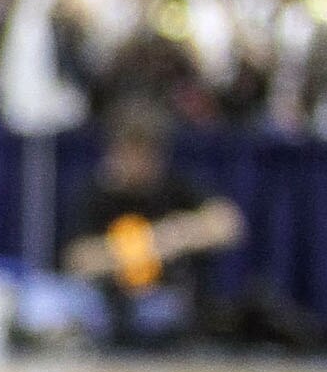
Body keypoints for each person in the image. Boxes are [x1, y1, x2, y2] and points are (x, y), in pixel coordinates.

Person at [61, 104, 243, 345]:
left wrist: (180, 235)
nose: (140, 164)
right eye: (132, 153)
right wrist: (147, 244)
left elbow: (228, 223)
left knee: (160, 311)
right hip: (106, 302)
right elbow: (79, 259)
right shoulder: (95, 194)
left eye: (147, 155)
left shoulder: (175, 187)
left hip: (160, 302)